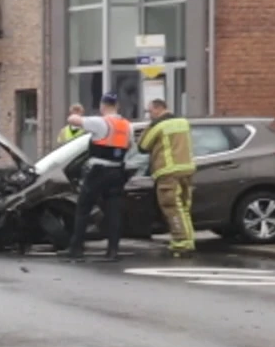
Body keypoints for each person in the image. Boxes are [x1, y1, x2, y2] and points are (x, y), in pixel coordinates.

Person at [64, 94, 132, 263]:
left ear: (103, 106)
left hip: (98, 171)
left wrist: (76, 114)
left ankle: (76, 248)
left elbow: (73, 120)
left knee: (83, 208)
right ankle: (113, 250)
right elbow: (129, 145)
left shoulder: (101, 122)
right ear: (118, 106)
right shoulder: (126, 126)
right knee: (114, 212)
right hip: (117, 171)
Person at [138, 96, 196, 257]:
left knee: (171, 208)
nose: (150, 115)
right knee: (183, 207)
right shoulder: (183, 123)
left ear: (158, 109)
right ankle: (189, 240)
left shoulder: (159, 126)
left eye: (150, 112)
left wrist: (151, 125)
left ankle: (181, 243)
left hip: (168, 172)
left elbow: (142, 146)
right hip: (186, 170)